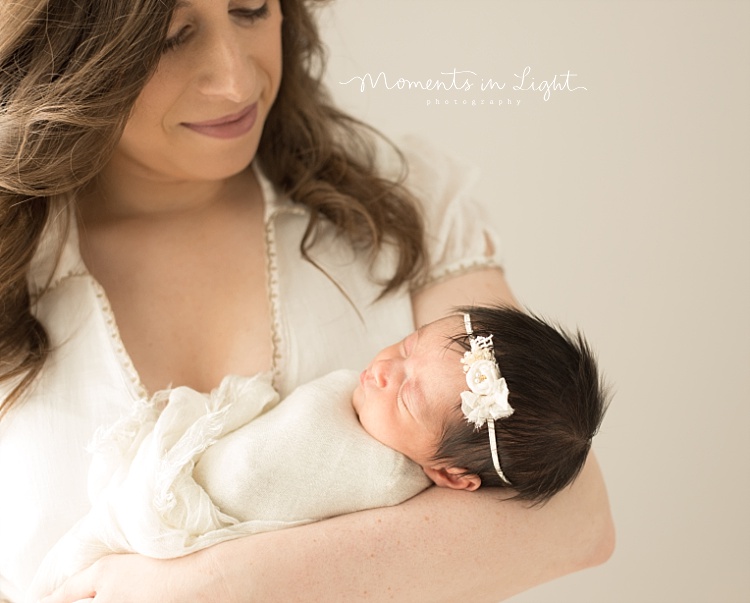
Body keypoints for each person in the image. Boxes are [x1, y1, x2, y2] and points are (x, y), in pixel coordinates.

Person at [0, 0, 614, 601]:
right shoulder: (15, 267)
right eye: (171, 36)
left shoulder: (402, 207)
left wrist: (213, 586)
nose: (237, 79)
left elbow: (575, 518)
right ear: (71, 51)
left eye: (251, 10)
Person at [30, 304, 608, 600]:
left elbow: (259, 490)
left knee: (78, 569)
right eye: (406, 347)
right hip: (164, 484)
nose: (383, 370)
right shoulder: (362, 405)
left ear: (452, 475)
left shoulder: (384, 483)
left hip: (183, 525)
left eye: (407, 396)